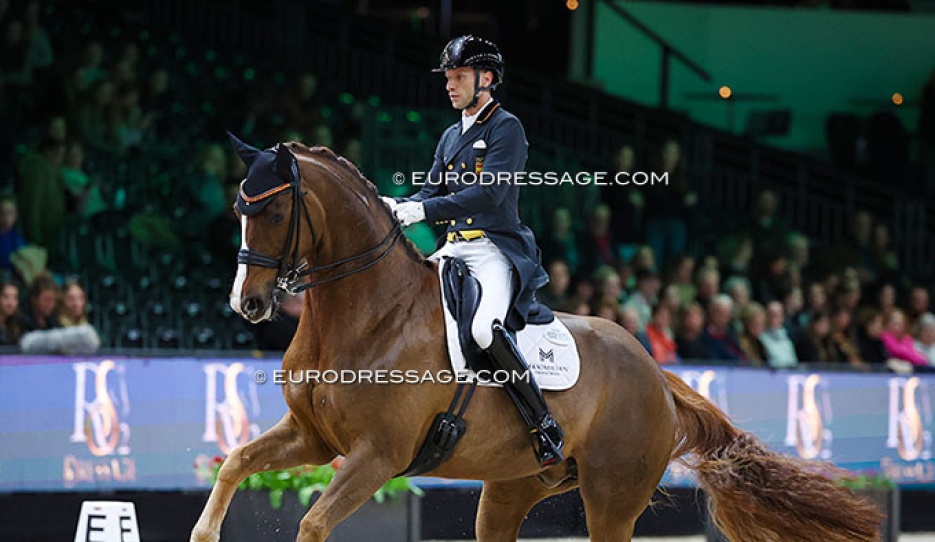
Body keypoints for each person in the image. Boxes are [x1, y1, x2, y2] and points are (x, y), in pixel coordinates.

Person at [382, 36, 562, 467]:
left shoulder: (506, 128)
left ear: (487, 79)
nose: (450, 85)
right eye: (448, 77)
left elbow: (489, 195)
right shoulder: (450, 135)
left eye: (459, 77)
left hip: (493, 249)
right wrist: (392, 205)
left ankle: (542, 423)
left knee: (484, 329)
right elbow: (429, 192)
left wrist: (423, 210)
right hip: (453, 249)